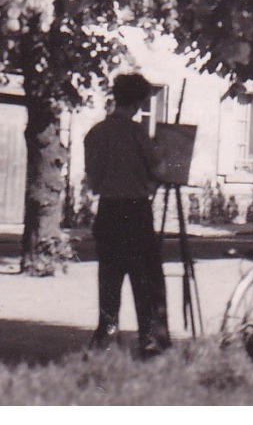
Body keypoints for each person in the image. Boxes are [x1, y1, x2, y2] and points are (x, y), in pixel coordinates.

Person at [84, 72, 169, 356]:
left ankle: (106, 337)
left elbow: (93, 183)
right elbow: (157, 170)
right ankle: (148, 338)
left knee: (109, 277)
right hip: (136, 212)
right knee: (143, 279)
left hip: (108, 211)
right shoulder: (137, 133)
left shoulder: (95, 133)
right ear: (138, 101)